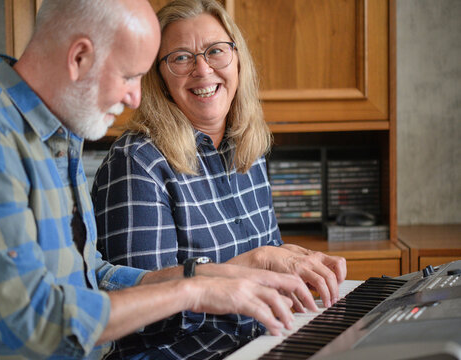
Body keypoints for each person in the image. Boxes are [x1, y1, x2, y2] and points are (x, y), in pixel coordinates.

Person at [0, 1, 320, 359]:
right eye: (130, 76)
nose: (135, 98)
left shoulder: (60, 133)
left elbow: (91, 274)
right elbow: (38, 321)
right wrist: (193, 291)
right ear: (79, 57)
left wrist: (206, 275)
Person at [92, 0, 348, 358]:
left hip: (263, 344)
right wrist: (255, 263)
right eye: (181, 58)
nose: (202, 69)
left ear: (237, 60)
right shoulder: (137, 161)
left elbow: (270, 280)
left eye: (216, 51)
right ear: (160, 78)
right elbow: (138, 317)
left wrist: (294, 268)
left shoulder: (249, 149)